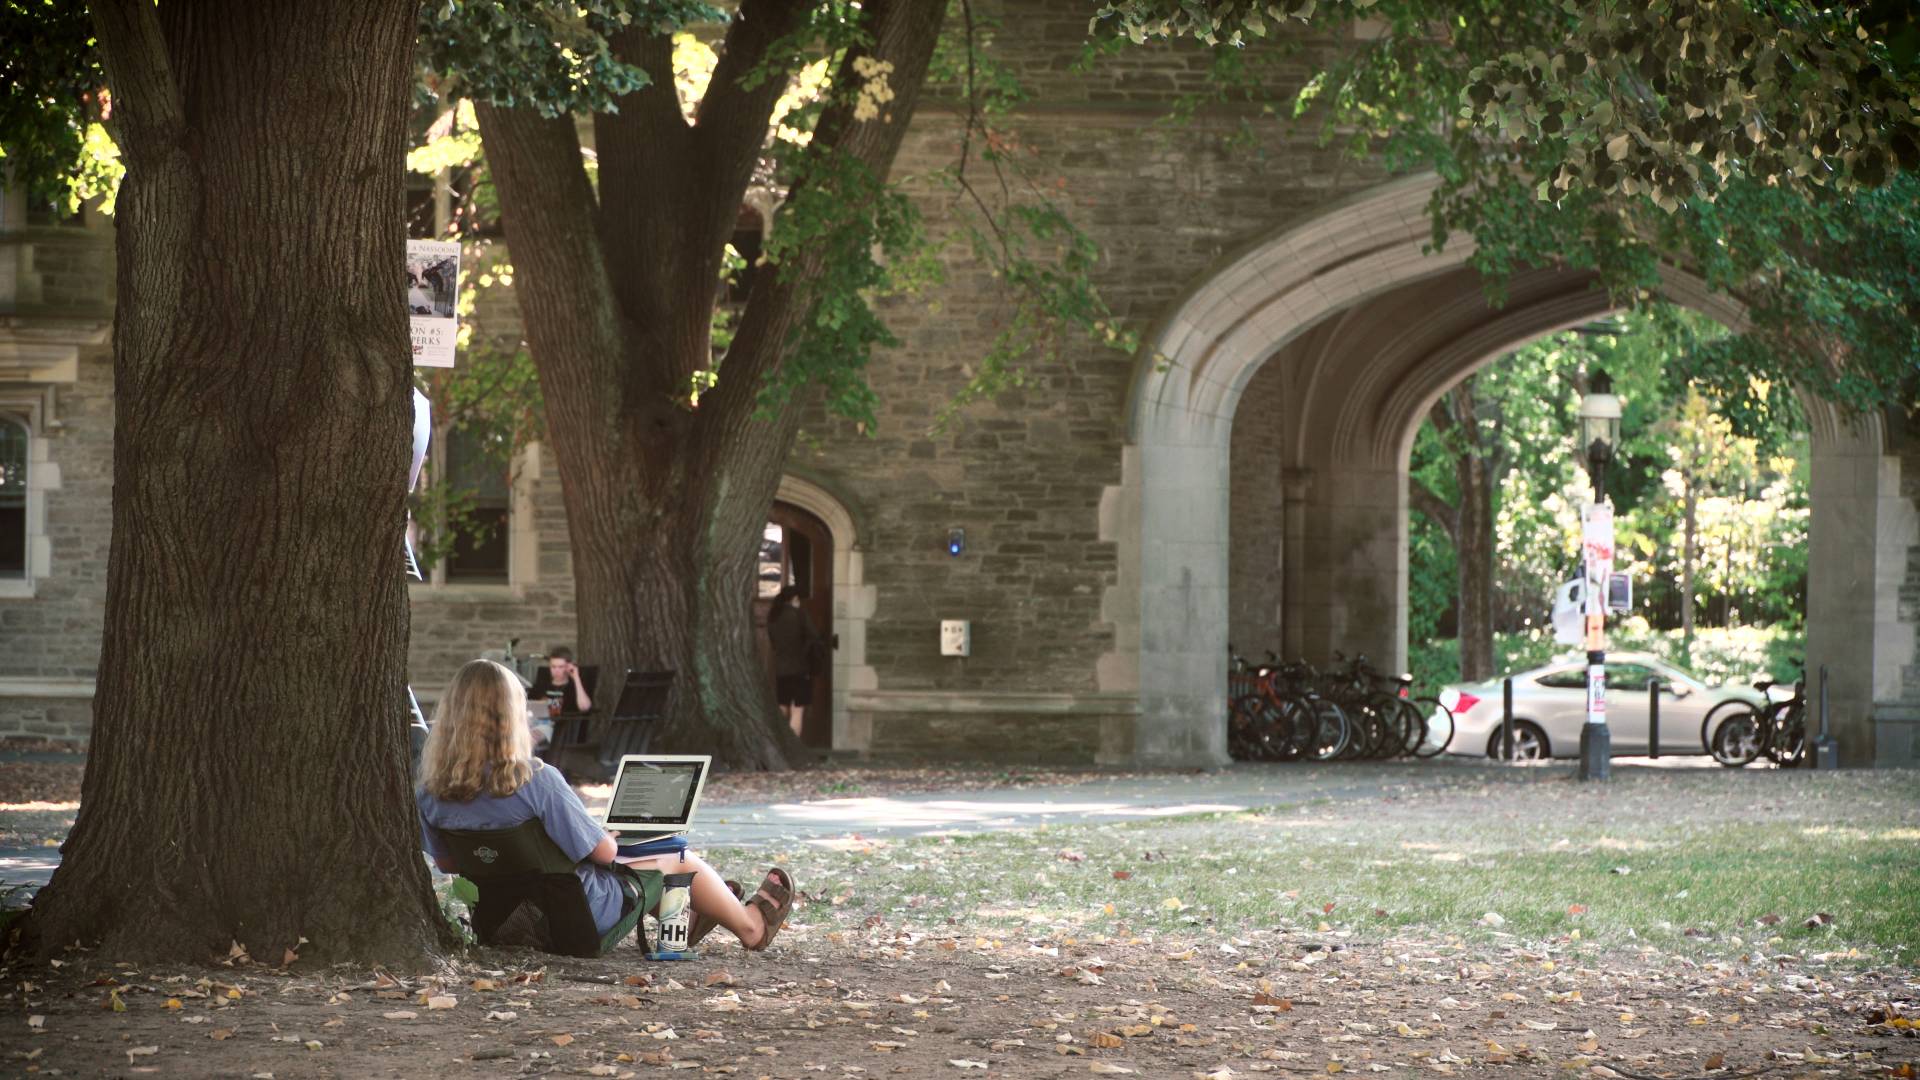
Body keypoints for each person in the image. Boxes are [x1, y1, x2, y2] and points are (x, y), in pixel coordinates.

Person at [416, 659, 792, 951]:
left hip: (505, 925)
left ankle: (686, 919)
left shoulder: (430, 792)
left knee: (634, 864)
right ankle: (751, 926)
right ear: (511, 717)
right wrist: (603, 834)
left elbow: (450, 863)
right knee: (675, 857)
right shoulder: (535, 779)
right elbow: (603, 852)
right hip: (576, 921)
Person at [766, 586, 825, 738]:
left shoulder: (773, 617)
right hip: (800, 668)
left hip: (781, 669)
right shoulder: (799, 615)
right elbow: (814, 636)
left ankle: (779, 741)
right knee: (798, 709)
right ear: (794, 599)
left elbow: (774, 644)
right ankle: (793, 744)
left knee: (783, 707)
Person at [528, 646, 593, 717]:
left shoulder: (574, 688)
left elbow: (585, 708)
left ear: (568, 667)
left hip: (562, 724)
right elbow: (527, 706)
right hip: (537, 722)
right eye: (553, 667)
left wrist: (576, 678)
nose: (556, 671)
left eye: (560, 667)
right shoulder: (541, 685)